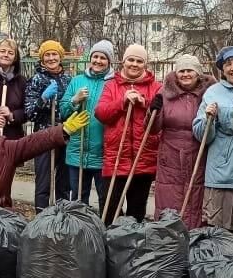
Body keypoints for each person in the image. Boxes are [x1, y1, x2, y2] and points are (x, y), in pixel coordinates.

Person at [95, 44, 163, 224]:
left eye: (139, 61)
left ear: (145, 64)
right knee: (109, 210)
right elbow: (101, 113)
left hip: (143, 160)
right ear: (123, 62)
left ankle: (132, 248)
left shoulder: (156, 87)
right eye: (131, 60)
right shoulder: (112, 86)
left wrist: (145, 103)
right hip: (115, 159)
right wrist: (122, 101)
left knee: (136, 212)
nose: (134, 64)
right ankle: (110, 246)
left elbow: (160, 118)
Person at [193, 46, 233, 235]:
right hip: (222, 173)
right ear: (222, 69)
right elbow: (202, 136)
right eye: (228, 64)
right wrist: (208, 119)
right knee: (220, 231)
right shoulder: (213, 92)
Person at [154, 54, 213, 230]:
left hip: (199, 154)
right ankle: (171, 243)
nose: (186, 74)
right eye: (182, 71)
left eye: (190, 70)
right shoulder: (165, 93)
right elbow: (152, 129)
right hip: (170, 157)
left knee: (196, 198)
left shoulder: (209, 93)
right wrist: (154, 112)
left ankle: (194, 241)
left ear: (198, 74)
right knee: (170, 200)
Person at [59, 40, 114, 211]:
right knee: (78, 198)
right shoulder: (77, 81)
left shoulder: (113, 83)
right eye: (95, 56)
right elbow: (63, 111)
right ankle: (79, 232)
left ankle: (105, 232)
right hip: (78, 150)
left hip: (103, 153)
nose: (98, 61)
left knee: (106, 199)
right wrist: (74, 100)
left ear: (109, 61)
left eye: (103, 58)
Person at [24, 40, 74, 210]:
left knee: (64, 183)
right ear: (42, 58)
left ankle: (62, 216)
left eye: (54, 54)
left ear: (60, 57)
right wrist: (43, 99)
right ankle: (42, 219)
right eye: (47, 55)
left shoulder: (69, 80)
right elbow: (30, 113)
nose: (51, 58)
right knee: (43, 181)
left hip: (65, 134)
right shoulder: (37, 80)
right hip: (44, 136)